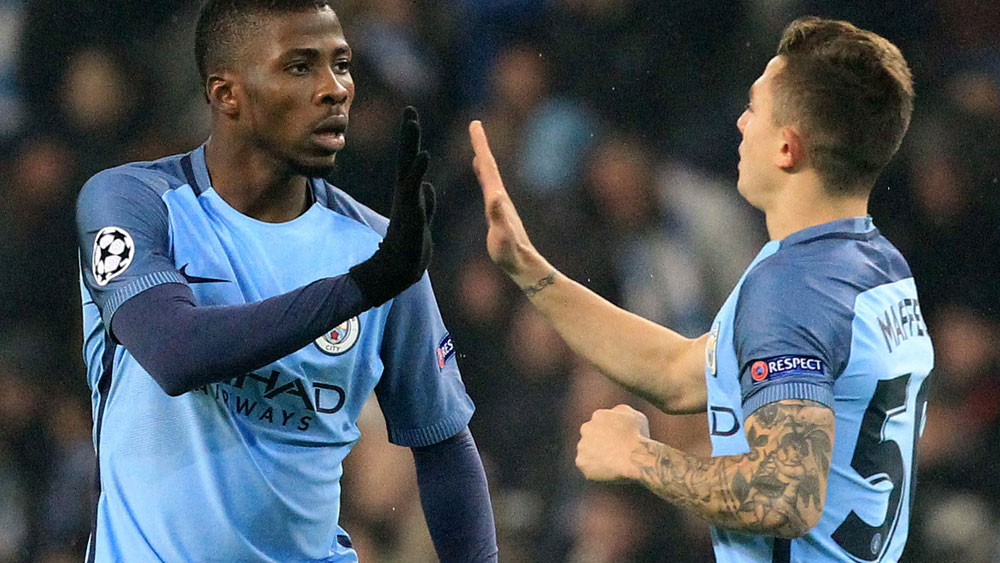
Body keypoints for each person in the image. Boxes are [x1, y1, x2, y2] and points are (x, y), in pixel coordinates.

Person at [470, 16, 932, 563]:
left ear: (787, 147)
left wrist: (639, 457)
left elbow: (784, 495)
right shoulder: (875, 267)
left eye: (754, 108)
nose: (740, 122)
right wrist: (529, 269)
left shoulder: (790, 288)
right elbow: (677, 373)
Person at [75, 1, 498, 561]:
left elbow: (443, 444)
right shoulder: (135, 202)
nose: (335, 90)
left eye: (341, 64)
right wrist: (359, 288)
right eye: (300, 67)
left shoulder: (378, 249)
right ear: (227, 93)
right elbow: (175, 353)